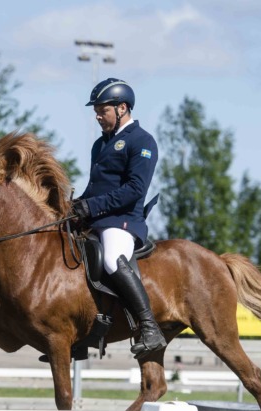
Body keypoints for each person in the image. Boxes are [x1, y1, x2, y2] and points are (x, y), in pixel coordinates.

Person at [70, 78, 166, 359]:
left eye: (102, 111)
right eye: (96, 111)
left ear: (122, 108)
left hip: (123, 219)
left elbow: (135, 189)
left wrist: (91, 207)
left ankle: (150, 328)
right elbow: (95, 187)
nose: (98, 116)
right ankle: (85, 330)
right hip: (97, 217)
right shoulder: (100, 145)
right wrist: (74, 206)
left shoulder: (142, 141)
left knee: (113, 259)